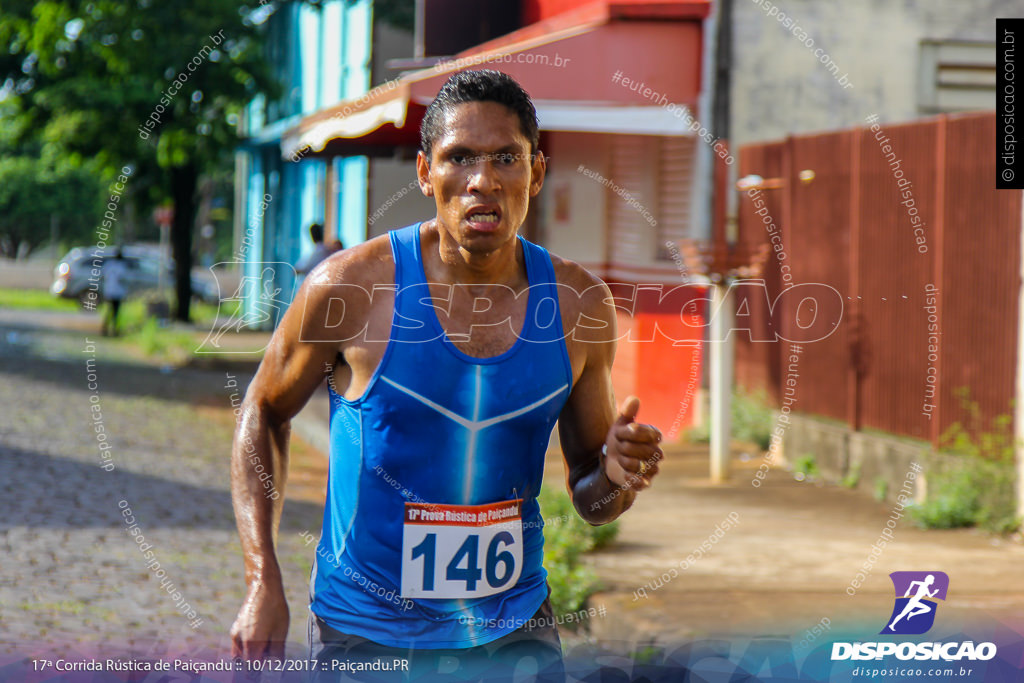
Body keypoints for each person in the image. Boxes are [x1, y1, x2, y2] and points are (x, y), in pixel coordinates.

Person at [229, 70, 664, 679]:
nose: (481, 181)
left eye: (505, 158)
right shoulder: (350, 288)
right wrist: (261, 581)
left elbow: (593, 495)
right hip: (366, 634)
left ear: (536, 173)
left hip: (515, 631)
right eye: (458, 157)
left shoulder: (577, 305)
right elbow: (264, 409)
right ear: (425, 172)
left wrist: (617, 475)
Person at [101, 248, 128, 337]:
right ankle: (114, 330)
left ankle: (105, 329)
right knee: (115, 312)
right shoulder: (121, 266)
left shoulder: (109, 265)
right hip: (118, 292)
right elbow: (122, 279)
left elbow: (103, 276)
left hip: (109, 290)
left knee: (109, 310)